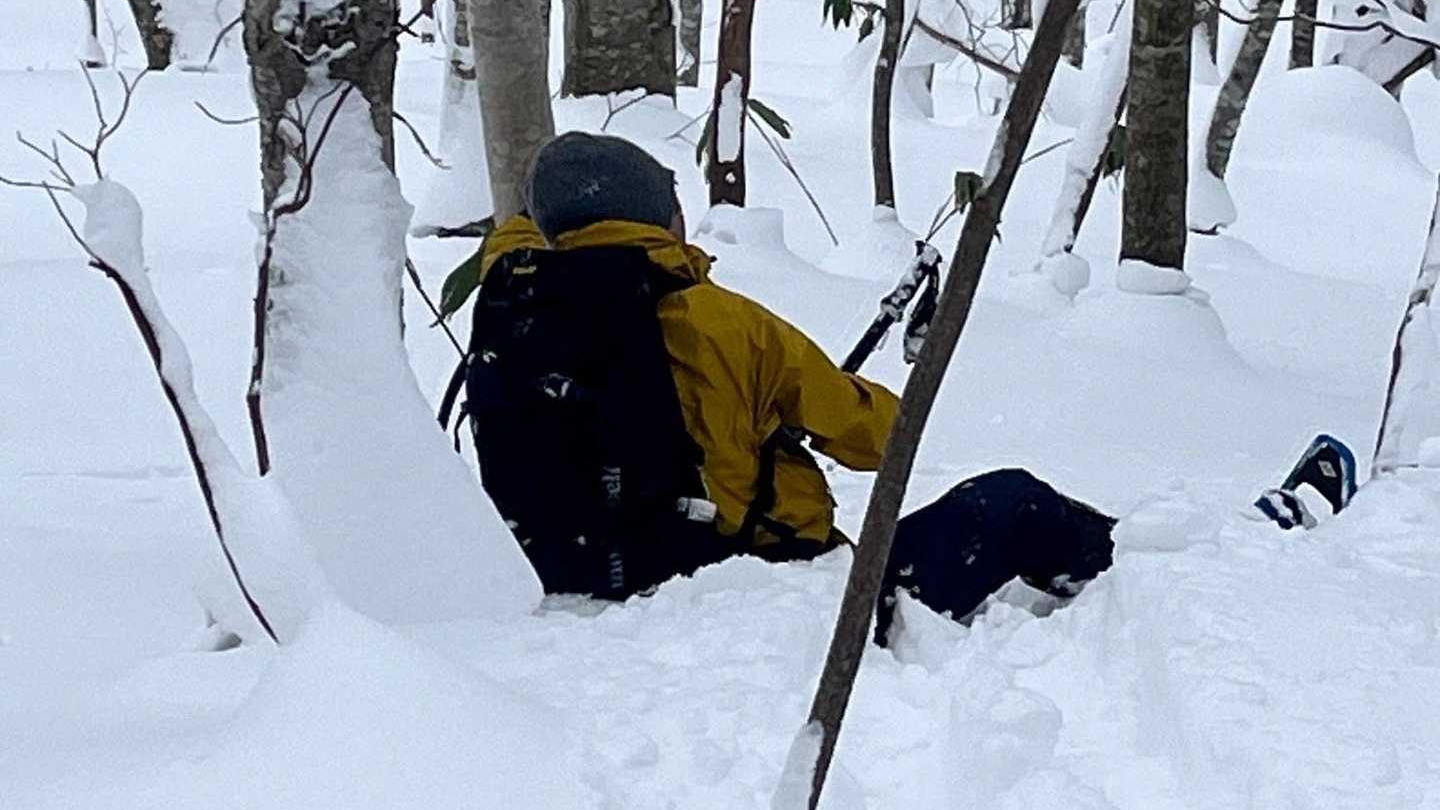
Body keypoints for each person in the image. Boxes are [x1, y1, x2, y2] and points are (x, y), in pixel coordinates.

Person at [452, 132, 1357, 644]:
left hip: (583, 590)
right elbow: (880, 439)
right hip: (762, 594)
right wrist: (790, 415)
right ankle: (1194, 568)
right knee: (1013, 502)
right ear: (656, 214)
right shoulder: (724, 323)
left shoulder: (510, 318)